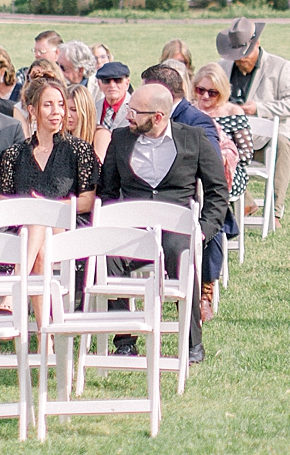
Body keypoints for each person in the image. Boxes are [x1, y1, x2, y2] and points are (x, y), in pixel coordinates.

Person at [98, 83, 229, 366]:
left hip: (177, 229)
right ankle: (124, 340)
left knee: (182, 254)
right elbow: (107, 190)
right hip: (133, 229)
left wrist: (204, 231)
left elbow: (218, 191)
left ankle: (193, 342)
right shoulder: (120, 139)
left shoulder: (193, 140)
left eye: (135, 112)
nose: (128, 116)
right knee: (110, 256)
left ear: (158, 117)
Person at [0, 79, 99, 276]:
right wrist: (34, 211)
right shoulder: (14, 154)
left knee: (39, 221)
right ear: (33, 110)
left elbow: (87, 203)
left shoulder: (80, 151)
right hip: (22, 231)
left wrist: (46, 206)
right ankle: (38, 306)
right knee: (39, 237)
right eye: (48, 105)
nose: (57, 111)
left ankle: (13, 293)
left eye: (61, 104)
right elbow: (4, 202)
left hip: (67, 227)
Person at [216, 17, 290, 225]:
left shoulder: (281, 67)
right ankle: (245, 203)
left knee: (283, 143)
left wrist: (259, 108)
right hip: (233, 138)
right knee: (212, 144)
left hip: (268, 137)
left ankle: (274, 212)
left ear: (257, 45)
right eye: (235, 56)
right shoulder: (223, 67)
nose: (239, 60)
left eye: (244, 55)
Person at [193, 62, 255, 322]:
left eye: (212, 93)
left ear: (222, 92)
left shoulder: (232, 112)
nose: (205, 97)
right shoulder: (188, 113)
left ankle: (206, 289)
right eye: (200, 90)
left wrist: (222, 163)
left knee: (213, 212)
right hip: (193, 178)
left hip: (226, 177)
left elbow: (246, 153)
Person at [140, 63, 222, 148]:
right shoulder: (143, 116)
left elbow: (212, 159)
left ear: (163, 92)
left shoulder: (198, 122)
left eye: (145, 91)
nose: (141, 96)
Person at [67, 82, 110, 169]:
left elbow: (97, 171)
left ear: (85, 111)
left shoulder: (100, 135)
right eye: (64, 109)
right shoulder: (60, 136)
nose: (68, 115)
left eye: (74, 110)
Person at [95, 60, 132, 130]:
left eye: (118, 80)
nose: (112, 85)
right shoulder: (93, 109)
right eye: (106, 81)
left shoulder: (136, 109)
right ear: (99, 84)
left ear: (127, 83)